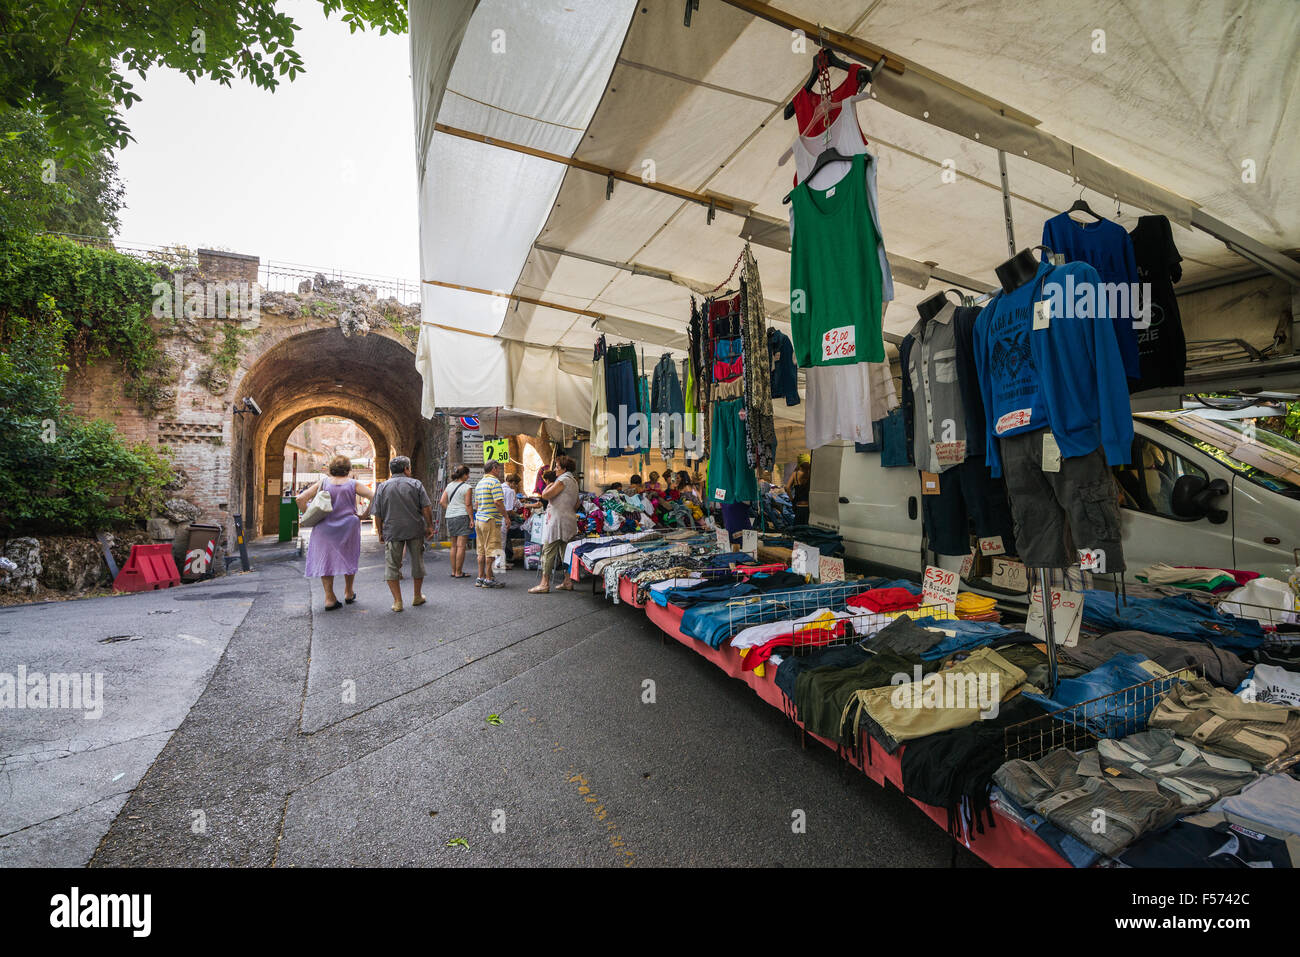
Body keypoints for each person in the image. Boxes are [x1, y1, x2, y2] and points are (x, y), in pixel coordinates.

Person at [297, 454, 374, 610]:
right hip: (348, 526)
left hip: (324, 527)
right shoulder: (353, 484)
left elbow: (300, 499)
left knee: (326, 560)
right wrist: (364, 515)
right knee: (349, 556)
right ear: (348, 469)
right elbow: (374, 496)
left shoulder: (324, 482)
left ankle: (329, 598)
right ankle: (348, 592)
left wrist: (310, 515)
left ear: (331, 468)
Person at [370, 455, 434, 613]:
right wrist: (430, 526)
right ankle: (417, 596)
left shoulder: (383, 487)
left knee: (392, 565)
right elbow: (426, 507)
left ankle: (398, 601)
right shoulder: (415, 484)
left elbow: (377, 513)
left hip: (393, 530)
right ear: (406, 469)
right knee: (417, 562)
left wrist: (380, 532)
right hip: (415, 529)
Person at [530, 455, 580, 594]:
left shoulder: (562, 480)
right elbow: (577, 503)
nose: (555, 469)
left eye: (557, 467)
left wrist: (549, 486)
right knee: (565, 553)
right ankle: (567, 581)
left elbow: (545, 495)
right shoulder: (574, 481)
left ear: (564, 469)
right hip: (569, 520)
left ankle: (544, 583)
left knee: (548, 551)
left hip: (556, 521)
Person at [470, 460, 506, 588]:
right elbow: (498, 502)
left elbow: (477, 504)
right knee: (491, 550)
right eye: (499, 469)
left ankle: (480, 577)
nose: (499, 471)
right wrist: (506, 517)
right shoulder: (495, 482)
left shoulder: (479, 483)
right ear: (494, 468)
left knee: (481, 551)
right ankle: (489, 579)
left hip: (479, 519)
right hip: (490, 520)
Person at [440, 465, 473, 579]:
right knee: (461, 546)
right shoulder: (467, 487)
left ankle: (454, 571)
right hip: (462, 516)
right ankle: (459, 572)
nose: (468, 477)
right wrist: (472, 518)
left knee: (453, 546)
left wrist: (450, 508)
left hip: (450, 516)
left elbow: (442, 501)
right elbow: (468, 504)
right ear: (464, 475)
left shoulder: (449, 485)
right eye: (467, 474)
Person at [502, 472, 524, 568]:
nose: (515, 487)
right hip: (503, 518)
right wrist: (519, 516)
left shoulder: (500, 487)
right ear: (512, 482)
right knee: (502, 541)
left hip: (495, 517)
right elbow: (509, 510)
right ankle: (501, 563)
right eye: (516, 484)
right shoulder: (510, 491)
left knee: (499, 541)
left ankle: (500, 562)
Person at [787, 459, 811, 525]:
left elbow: (787, 488)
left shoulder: (795, 474)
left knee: (798, 527)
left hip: (798, 504)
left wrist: (792, 500)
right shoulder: (810, 475)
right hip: (808, 506)